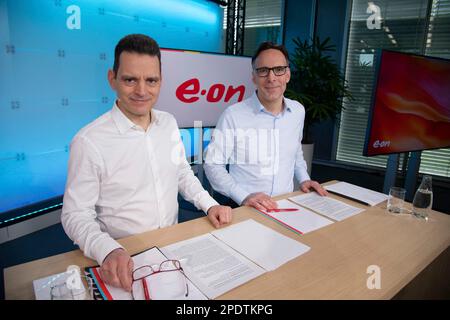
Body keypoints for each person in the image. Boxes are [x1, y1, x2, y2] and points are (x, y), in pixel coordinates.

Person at [61, 34, 232, 292]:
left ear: (160, 82)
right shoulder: (88, 141)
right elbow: (75, 215)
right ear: (112, 79)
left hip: (173, 248)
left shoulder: (169, 123)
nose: (142, 91)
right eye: (130, 80)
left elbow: (182, 173)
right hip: (123, 257)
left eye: (151, 80)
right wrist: (107, 251)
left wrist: (209, 204)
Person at [204, 41, 327, 212]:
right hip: (245, 207)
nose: (271, 78)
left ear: (287, 75)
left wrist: (304, 179)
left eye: (278, 69)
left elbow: (296, 154)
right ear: (253, 77)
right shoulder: (233, 115)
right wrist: (243, 196)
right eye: (263, 71)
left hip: (286, 205)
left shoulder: (298, 111)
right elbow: (213, 164)